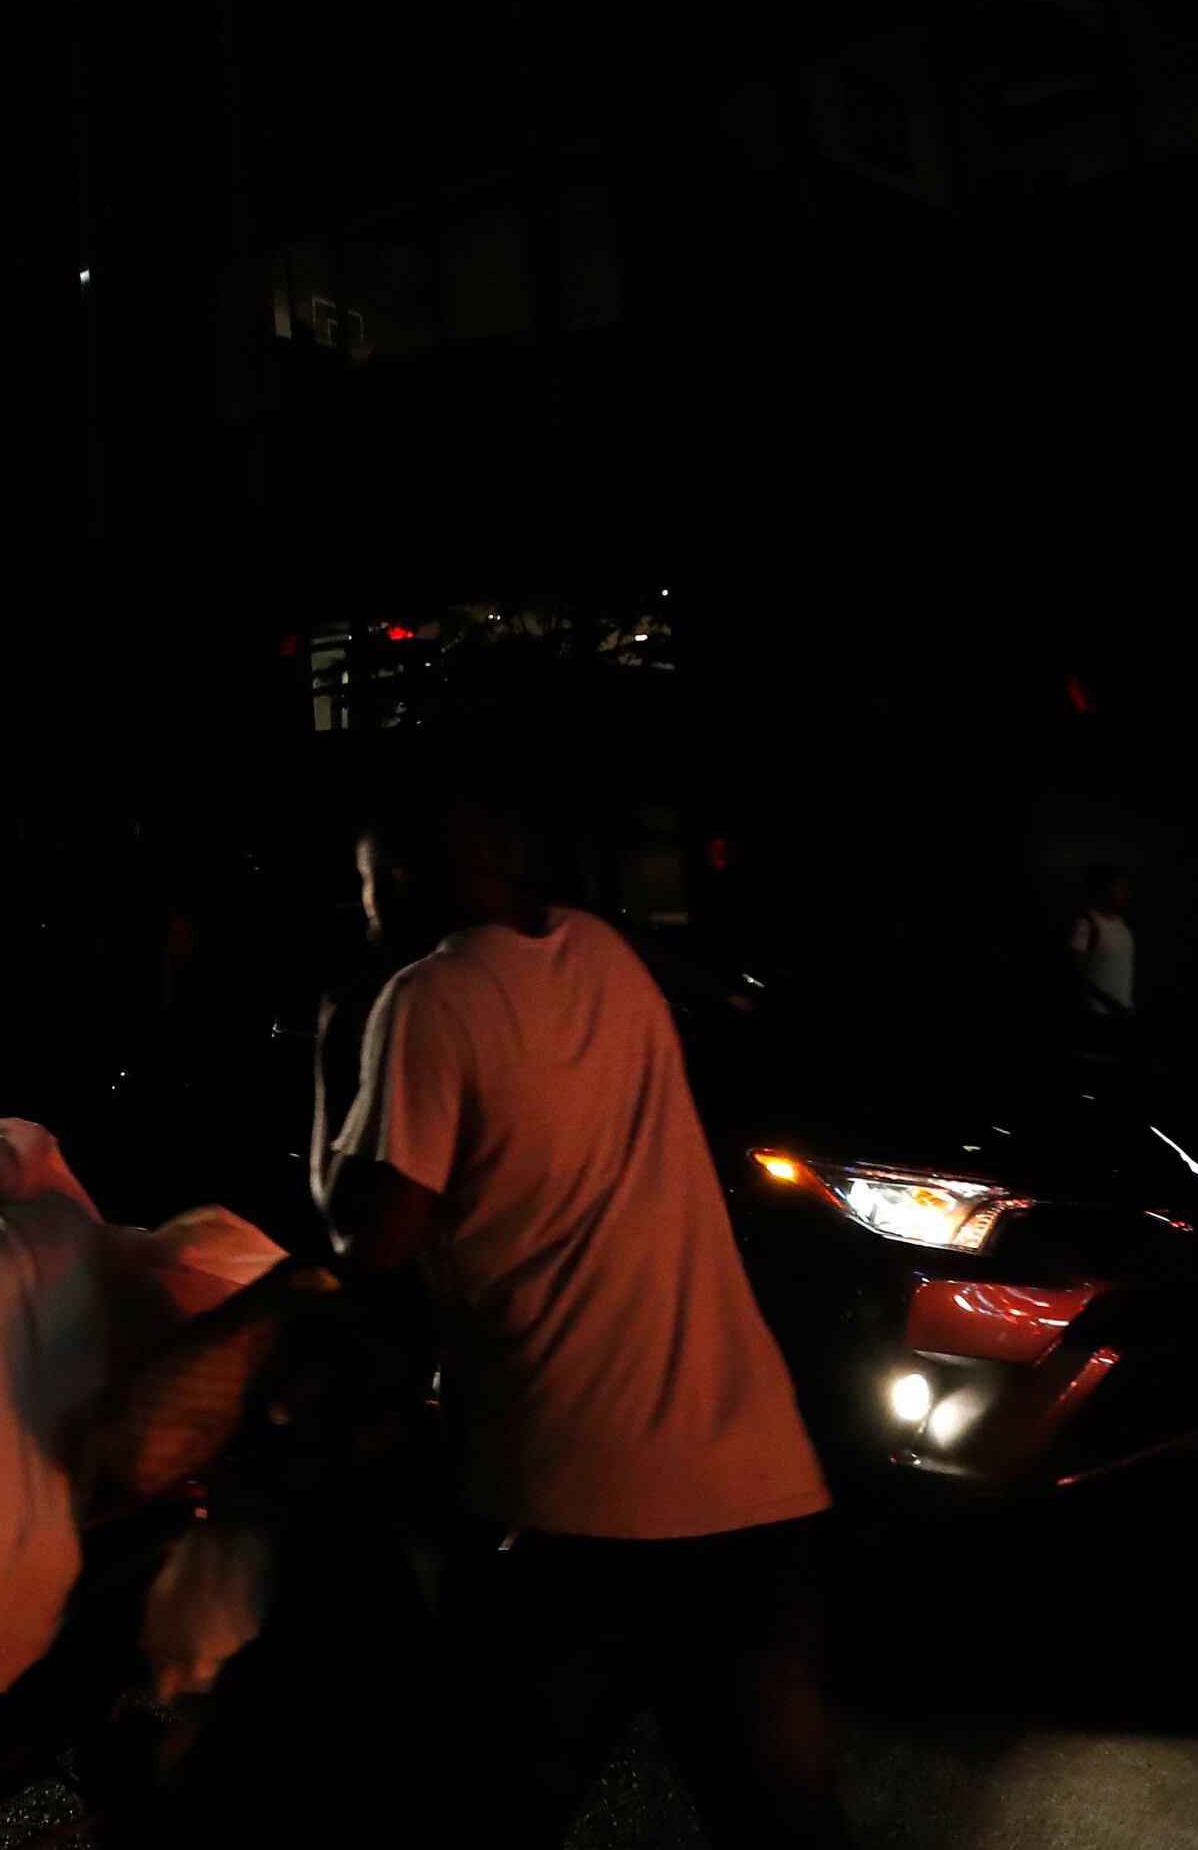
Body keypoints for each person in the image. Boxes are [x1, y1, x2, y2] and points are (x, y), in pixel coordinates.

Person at [317, 791, 845, 1850]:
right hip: (756, 1484)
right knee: (784, 1822)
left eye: (371, 884)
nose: (364, 907)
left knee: (486, 1807)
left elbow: (365, 1237)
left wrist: (334, 1060)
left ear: (410, 882)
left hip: (568, 1501)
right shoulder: (605, 954)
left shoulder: (425, 999)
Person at [1068, 863, 1136, 1016]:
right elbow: (1076, 973)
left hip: (1123, 1007)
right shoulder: (1086, 924)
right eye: (1118, 888)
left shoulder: (1123, 926)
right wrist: (1110, 1003)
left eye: (1125, 888)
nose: (1124, 893)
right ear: (1100, 891)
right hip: (1098, 1009)